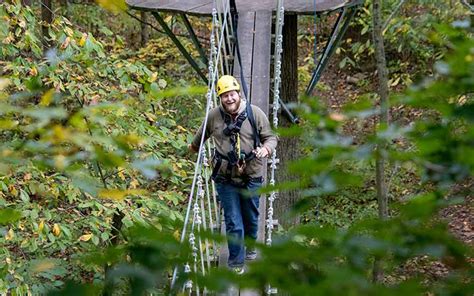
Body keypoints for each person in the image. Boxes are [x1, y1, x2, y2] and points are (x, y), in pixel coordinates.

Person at [188, 75, 277, 274]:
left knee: (251, 218)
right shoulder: (213, 116)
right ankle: (236, 262)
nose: (229, 99)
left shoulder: (255, 113)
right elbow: (197, 141)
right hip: (225, 177)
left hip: (252, 175)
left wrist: (266, 149)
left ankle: (251, 245)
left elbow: (271, 138)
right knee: (233, 221)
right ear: (220, 98)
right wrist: (194, 149)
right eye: (224, 96)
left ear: (239, 94)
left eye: (232, 94)